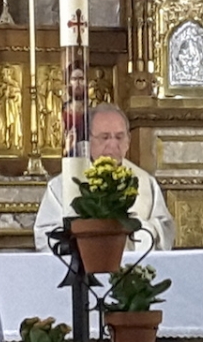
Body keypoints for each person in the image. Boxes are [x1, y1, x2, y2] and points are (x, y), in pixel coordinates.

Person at [34, 103, 175, 252]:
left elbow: (164, 229)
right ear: (88, 141)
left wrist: (135, 233)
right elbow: (46, 235)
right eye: (105, 137)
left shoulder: (145, 182)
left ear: (128, 141)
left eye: (119, 137)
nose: (113, 144)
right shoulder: (64, 184)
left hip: (132, 270)